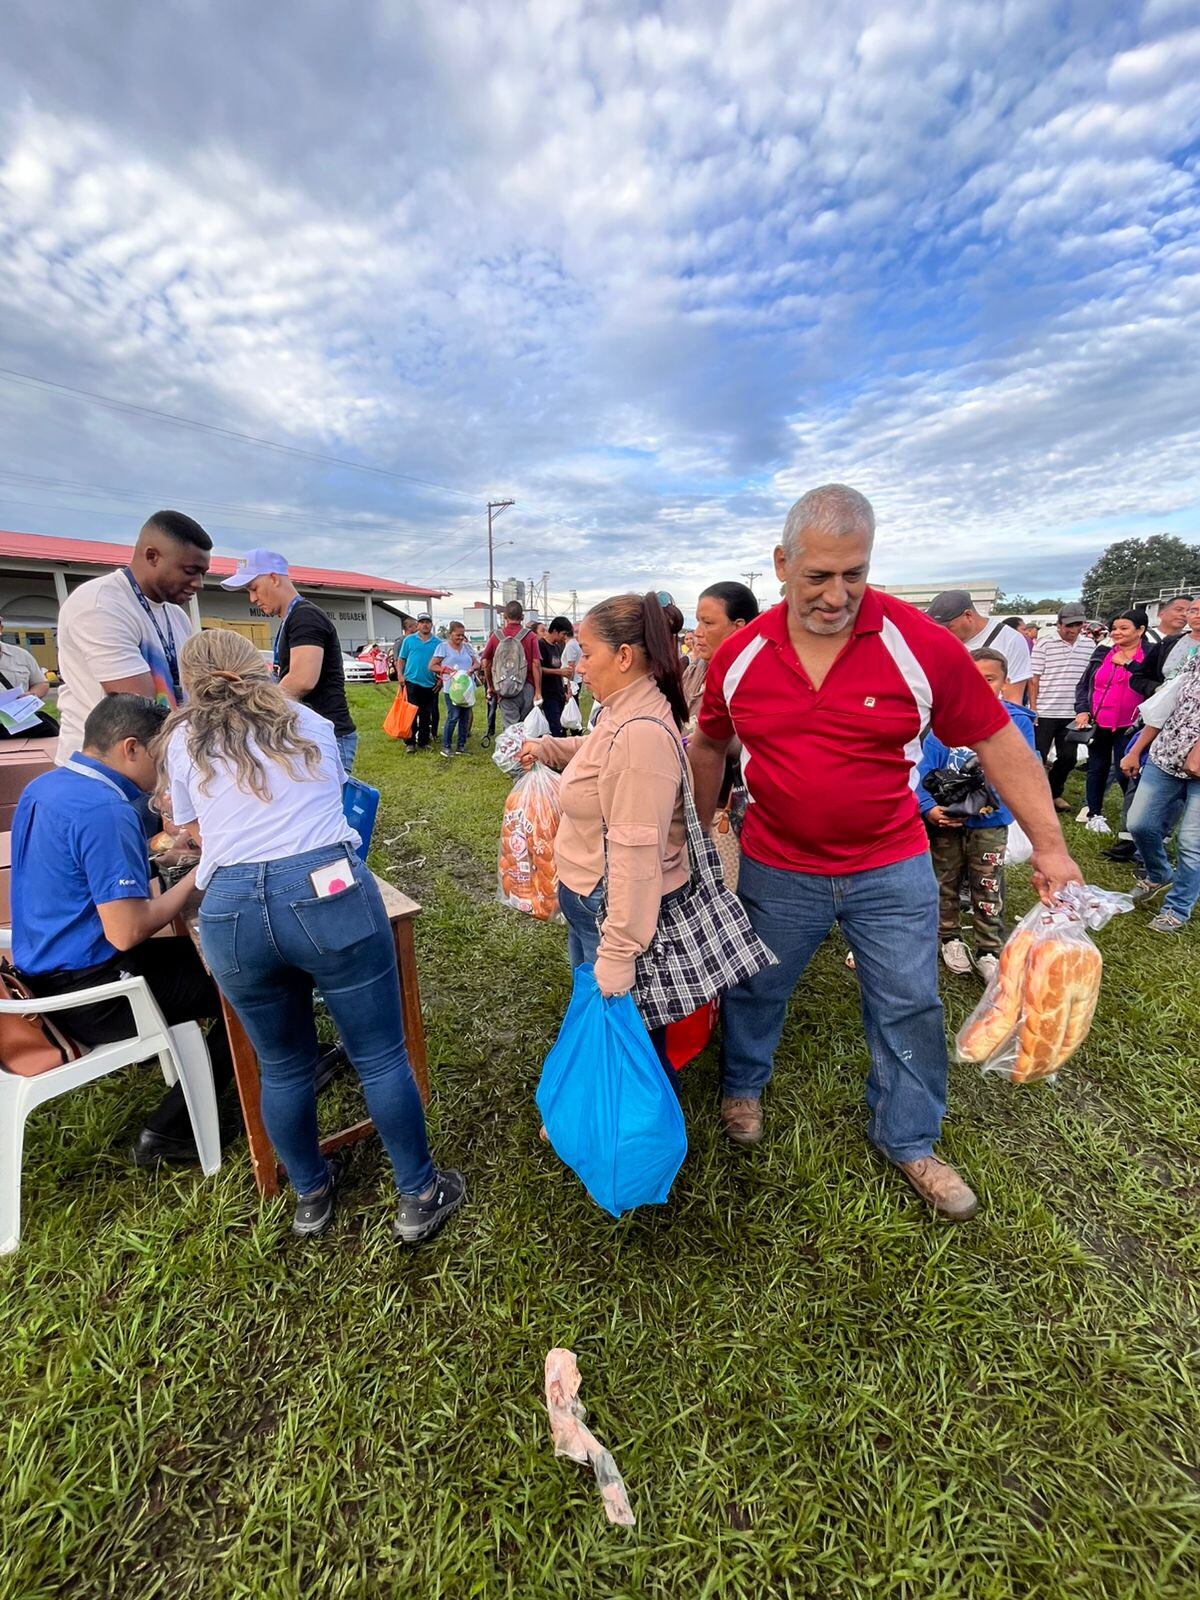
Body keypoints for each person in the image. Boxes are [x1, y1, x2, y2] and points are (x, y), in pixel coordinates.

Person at [689, 485, 1081, 1221]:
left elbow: (998, 739)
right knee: (758, 987)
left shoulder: (919, 643)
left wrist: (1052, 847)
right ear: (781, 564)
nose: (837, 596)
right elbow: (709, 742)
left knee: (908, 1001)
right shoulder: (740, 654)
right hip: (778, 864)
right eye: (818, 576)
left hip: (890, 866)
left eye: (855, 574)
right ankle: (741, 1086)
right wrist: (700, 825)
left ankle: (910, 1138)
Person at [161, 629, 464, 1242]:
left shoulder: (183, 739)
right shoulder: (308, 722)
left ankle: (310, 1194)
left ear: (190, 680)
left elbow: (192, 831)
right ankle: (418, 1193)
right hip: (327, 888)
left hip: (231, 908)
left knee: (282, 1066)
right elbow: (326, 801)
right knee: (380, 1054)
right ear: (259, 668)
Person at [11, 694, 236, 1165]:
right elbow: (127, 931)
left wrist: (157, 861)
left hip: (45, 971)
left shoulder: (46, 787)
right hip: (93, 996)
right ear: (131, 748)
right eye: (162, 757)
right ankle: (170, 1131)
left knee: (227, 960)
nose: (167, 771)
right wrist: (201, 872)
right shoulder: (105, 811)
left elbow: (73, 876)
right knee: (248, 983)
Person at [517, 593, 691, 1068]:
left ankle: (620, 1111)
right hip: (589, 896)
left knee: (622, 1036)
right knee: (601, 1026)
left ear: (624, 656)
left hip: (607, 906)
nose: (578, 667)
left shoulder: (640, 736)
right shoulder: (622, 709)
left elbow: (636, 857)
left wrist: (617, 956)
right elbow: (596, 748)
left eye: (588, 654)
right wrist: (549, 747)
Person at [918, 649, 1038, 982]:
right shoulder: (943, 722)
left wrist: (984, 803)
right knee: (944, 881)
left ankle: (989, 949)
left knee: (987, 883)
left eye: (989, 679)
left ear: (1005, 682)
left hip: (990, 824)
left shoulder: (1016, 723)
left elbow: (1022, 771)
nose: (980, 686)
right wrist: (929, 808)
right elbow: (923, 770)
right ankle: (949, 937)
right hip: (946, 822)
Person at [54, 510, 211, 762]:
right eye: (190, 571)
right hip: (104, 768)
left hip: (157, 760)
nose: (199, 583)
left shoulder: (176, 615)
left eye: (203, 573)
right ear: (152, 556)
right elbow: (139, 707)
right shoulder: (100, 604)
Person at [221, 549, 358, 774]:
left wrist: (256, 711)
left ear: (274, 578)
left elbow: (302, 680)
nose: (252, 598)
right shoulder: (292, 618)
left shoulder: (305, 617)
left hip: (326, 734)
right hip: (311, 733)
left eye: (254, 588)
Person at [1122, 658, 1200, 932]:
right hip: (1165, 757)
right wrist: (1136, 750)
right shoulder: (1196, 660)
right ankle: (1159, 874)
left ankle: (1176, 908)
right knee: (1139, 824)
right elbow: (1165, 706)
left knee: (1191, 843)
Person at [1072, 610, 1147, 832]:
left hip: (1131, 726)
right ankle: (1094, 814)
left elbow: (1152, 684)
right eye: (1114, 628)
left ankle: (1132, 818)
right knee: (1097, 768)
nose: (1117, 633)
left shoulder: (1150, 654)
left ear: (1140, 630)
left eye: (1124, 628)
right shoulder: (1102, 652)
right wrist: (1082, 710)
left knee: (1128, 771)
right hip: (1100, 722)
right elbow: (1084, 685)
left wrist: (1128, 664)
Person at [1028, 603, 1094, 811]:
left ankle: (1054, 793)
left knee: (1068, 757)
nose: (1072, 630)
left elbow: (1090, 679)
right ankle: (1033, 796)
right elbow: (1034, 678)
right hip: (1045, 710)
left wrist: (1085, 709)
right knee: (1038, 756)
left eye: (1077, 625)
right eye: (1068, 625)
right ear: (1059, 624)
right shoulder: (1045, 644)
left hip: (1073, 712)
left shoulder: (1089, 645)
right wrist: (1033, 707)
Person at [925, 590, 1032, 701]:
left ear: (968, 615)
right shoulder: (940, 641)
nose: (943, 632)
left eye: (948, 627)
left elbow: (1013, 699)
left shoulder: (1010, 640)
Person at [682, 581, 759, 723]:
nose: (697, 632)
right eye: (698, 622)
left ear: (739, 628)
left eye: (708, 623)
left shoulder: (753, 689)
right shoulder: (694, 670)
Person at [481, 601, 542, 729]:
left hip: (505, 687)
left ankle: (512, 742)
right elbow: (536, 664)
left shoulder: (496, 636)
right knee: (527, 728)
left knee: (511, 730)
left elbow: (486, 663)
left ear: (504, 616)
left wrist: (491, 686)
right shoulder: (531, 636)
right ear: (522, 617)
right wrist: (538, 691)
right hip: (527, 686)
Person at [0, 614, 54, 738]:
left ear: (1, 629)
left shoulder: (21, 655)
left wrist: (32, 694)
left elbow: (41, 683)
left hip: (22, 723)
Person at [430, 621, 479, 757]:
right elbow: (432, 666)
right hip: (452, 688)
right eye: (458, 635)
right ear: (450, 634)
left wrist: (472, 668)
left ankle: (461, 746)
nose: (461, 638)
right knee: (453, 716)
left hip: (466, 688)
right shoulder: (443, 647)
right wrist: (445, 670)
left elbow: (477, 663)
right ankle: (446, 746)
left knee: (465, 717)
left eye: (462, 635)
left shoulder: (467, 647)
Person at [395, 612, 442, 753]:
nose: (425, 625)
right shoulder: (409, 640)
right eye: (422, 622)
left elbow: (442, 663)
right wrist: (400, 674)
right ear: (418, 625)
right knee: (411, 713)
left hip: (430, 683)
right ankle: (410, 743)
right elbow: (401, 659)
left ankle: (423, 742)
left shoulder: (438, 643)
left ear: (431, 625)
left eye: (427, 622)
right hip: (411, 682)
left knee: (426, 715)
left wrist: (440, 680)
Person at [536, 617, 575, 736]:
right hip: (548, 693)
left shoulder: (557, 647)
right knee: (555, 728)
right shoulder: (541, 645)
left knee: (562, 727)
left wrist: (566, 689)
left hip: (559, 692)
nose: (565, 637)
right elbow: (539, 669)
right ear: (555, 631)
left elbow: (560, 669)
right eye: (563, 634)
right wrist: (560, 672)